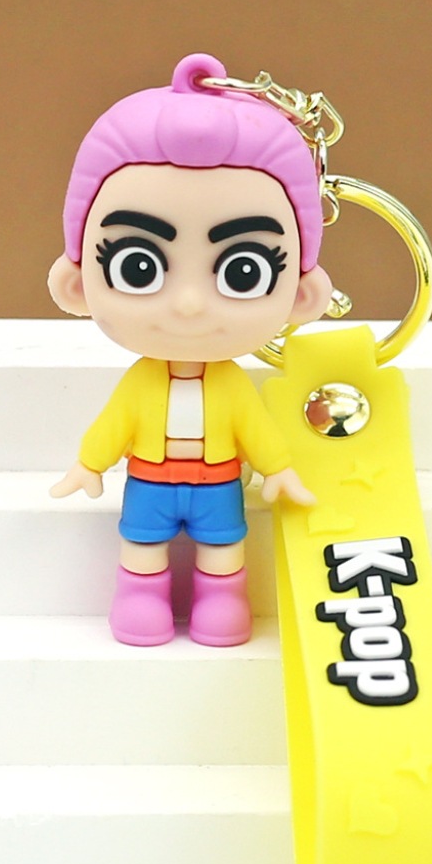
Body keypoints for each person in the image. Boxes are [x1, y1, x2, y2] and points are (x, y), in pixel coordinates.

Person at [48, 53, 333, 646]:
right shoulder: (143, 382)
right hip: (150, 481)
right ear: (75, 284)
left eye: (244, 272)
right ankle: (139, 603)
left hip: (218, 483)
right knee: (141, 546)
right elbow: (116, 422)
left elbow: (254, 427)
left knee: (224, 551)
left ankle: (222, 608)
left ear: (303, 294)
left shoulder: (230, 385)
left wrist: (278, 468)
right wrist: (90, 463)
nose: (188, 305)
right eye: (138, 266)